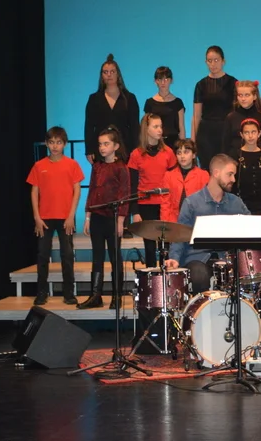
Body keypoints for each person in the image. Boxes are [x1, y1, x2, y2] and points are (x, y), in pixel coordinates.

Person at [165, 155, 250, 294]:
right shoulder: (191, 203)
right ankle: (201, 308)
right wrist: (174, 258)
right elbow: (179, 235)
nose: (233, 179)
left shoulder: (236, 202)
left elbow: (251, 227)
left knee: (260, 276)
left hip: (227, 258)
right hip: (197, 258)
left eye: (234, 175)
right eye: (229, 174)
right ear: (216, 173)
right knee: (199, 275)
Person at [27, 126, 84, 306]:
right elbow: (34, 192)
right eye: (51, 142)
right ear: (46, 143)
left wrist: (71, 216)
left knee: (67, 255)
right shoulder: (39, 166)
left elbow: (77, 191)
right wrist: (37, 217)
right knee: (43, 255)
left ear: (64, 144)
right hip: (44, 218)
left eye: (58, 142)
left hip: (65, 217)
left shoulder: (72, 165)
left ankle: (69, 293)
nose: (55, 146)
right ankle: (41, 292)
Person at [78, 126, 131, 310]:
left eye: (106, 144)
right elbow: (92, 191)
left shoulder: (121, 168)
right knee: (97, 257)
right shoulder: (97, 167)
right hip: (97, 218)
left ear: (116, 146)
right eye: (100, 144)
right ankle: (96, 295)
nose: (102, 147)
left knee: (115, 257)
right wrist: (87, 217)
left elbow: (124, 195)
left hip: (113, 218)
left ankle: (117, 295)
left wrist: (121, 220)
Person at [128, 113, 178, 267]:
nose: (160, 130)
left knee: (166, 246)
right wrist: (135, 212)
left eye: (161, 126)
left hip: (165, 204)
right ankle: (151, 277)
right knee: (149, 246)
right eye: (155, 126)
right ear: (146, 129)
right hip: (145, 204)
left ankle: (166, 277)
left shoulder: (168, 152)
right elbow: (132, 185)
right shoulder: (136, 154)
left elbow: (175, 181)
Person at [84, 53, 140, 162]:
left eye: (112, 72)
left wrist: (136, 150)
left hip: (125, 148)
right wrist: (89, 150)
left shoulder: (129, 98)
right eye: (105, 72)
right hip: (101, 149)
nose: (109, 75)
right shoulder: (94, 99)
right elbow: (89, 126)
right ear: (101, 76)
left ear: (118, 74)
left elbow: (135, 127)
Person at [191, 46, 237, 168]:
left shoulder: (233, 83)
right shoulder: (200, 85)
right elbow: (196, 116)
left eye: (216, 60)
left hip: (226, 132)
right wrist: (193, 142)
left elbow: (237, 113)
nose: (213, 64)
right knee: (207, 170)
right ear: (205, 62)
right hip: (206, 134)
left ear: (223, 61)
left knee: (226, 169)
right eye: (209, 61)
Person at [160, 139, 210, 222]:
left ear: (193, 155)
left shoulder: (203, 175)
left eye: (186, 152)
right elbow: (165, 204)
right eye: (179, 153)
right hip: (174, 222)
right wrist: (165, 225)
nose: (182, 156)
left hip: (196, 221)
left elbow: (206, 203)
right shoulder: (168, 175)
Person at [234, 119, 261, 216]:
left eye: (253, 132)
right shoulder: (235, 155)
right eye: (246, 132)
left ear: (259, 133)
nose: (250, 136)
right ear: (241, 134)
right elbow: (233, 185)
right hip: (240, 205)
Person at [222, 80, 261, 156]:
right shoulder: (231, 118)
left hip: (258, 160)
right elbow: (225, 145)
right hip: (235, 160)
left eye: (247, 95)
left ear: (255, 96)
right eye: (240, 95)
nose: (243, 99)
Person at [143, 66, 185, 150]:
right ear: (155, 81)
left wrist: (182, 147)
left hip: (174, 143)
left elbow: (181, 127)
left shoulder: (178, 102)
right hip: (155, 143)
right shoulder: (150, 103)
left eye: (166, 79)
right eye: (160, 79)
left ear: (171, 80)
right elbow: (146, 126)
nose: (163, 82)